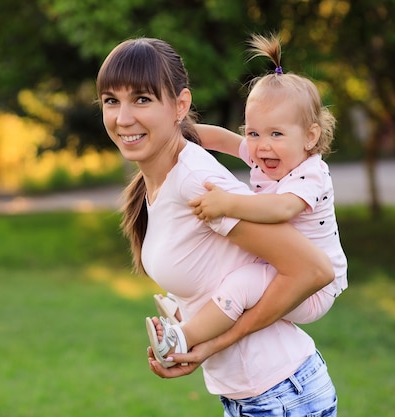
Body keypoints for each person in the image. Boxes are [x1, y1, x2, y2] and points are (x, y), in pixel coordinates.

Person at [97, 36, 338, 416]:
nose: (123, 117)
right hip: (258, 395)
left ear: (180, 105)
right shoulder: (161, 178)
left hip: (281, 395)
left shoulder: (198, 183)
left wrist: (206, 343)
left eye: (142, 99)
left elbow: (315, 270)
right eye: (112, 100)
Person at [147, 33, 348, 368]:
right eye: (253, 133)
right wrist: (174, 131)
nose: (261, 145)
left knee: (239, 285)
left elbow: (282, 208)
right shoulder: (263, 153)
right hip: (281, 263)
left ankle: (183, 336)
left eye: (276, 134)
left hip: (314, 288)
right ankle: (185, 312)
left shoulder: (312, 173)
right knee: (228, 268)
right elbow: (223, 140)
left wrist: (228, 204)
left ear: (310, 136)